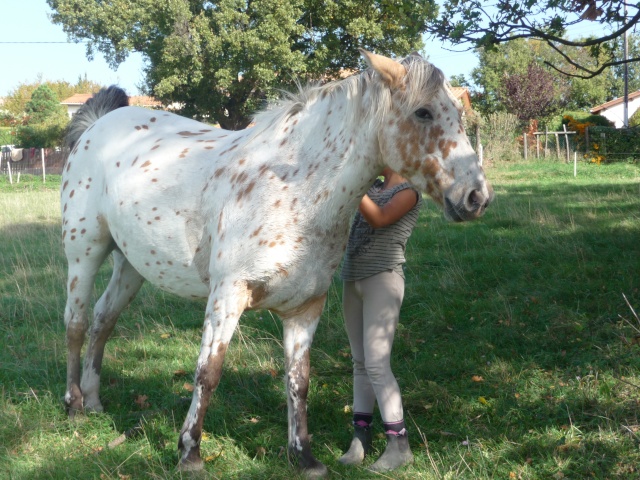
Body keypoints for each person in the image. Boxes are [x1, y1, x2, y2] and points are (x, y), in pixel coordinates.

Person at [338, 167, 422, 472]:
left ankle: (399, 445)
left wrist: (352, 183)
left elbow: (380, 218)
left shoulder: (409, 192)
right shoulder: (371, 185)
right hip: (352, 280)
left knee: (376, 364)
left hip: (383, 281)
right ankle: (361, 438)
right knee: (360, 363)